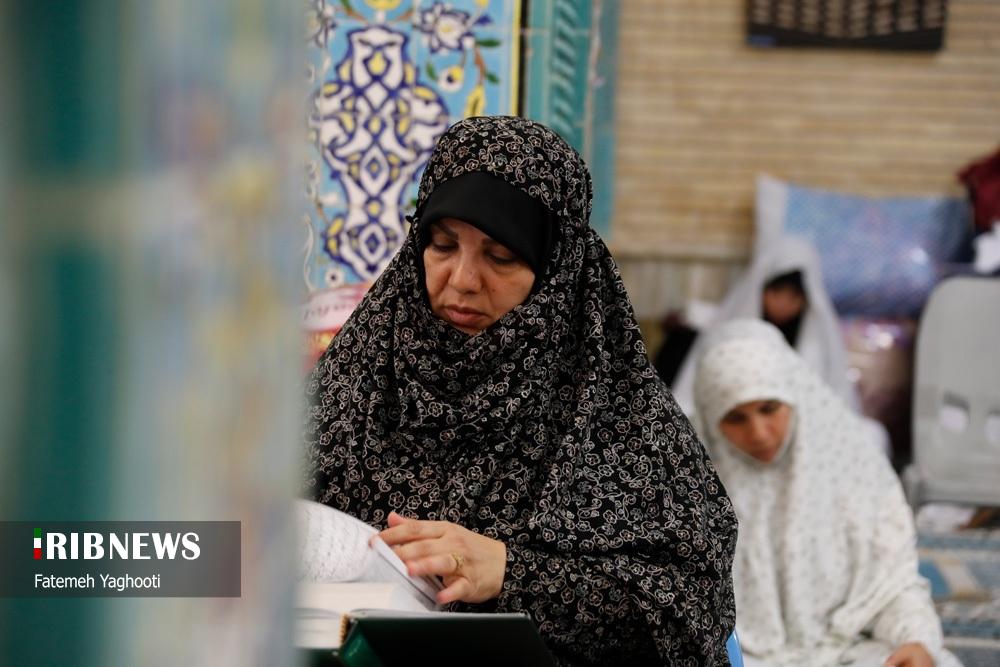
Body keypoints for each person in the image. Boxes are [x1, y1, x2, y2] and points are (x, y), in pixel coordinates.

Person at [303, 115, 738, 665]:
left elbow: (694, 613)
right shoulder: (357, 381)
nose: (462, 279)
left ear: (558, 269)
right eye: (442, 245)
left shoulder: (618, 423)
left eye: (501, 256)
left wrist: (512, 573)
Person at [692, 319, 960, 667]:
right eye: (735, 418)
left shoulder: (852, 464)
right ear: (711, 419)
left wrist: (916, 639)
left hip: (844, 650)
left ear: (793, 394)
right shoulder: (689, 481)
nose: (759, 433)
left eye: (769, 409)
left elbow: (892, 584)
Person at [670, 235, 856, 415]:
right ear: (761, 289)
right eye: (777, 292)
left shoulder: (818, 341)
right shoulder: (735, 332)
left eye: (794, 296)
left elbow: (832, 397)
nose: (783, 303)